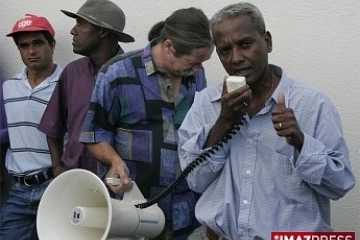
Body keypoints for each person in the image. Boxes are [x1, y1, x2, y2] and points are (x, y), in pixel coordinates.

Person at [177, 3, 356, 240]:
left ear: (268, 42)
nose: (236, 58)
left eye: (245, 44)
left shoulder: (312, 104)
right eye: (225, 50)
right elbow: (195, 181)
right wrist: (223, 122)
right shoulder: (205, 104)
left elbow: (340, 184)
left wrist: (301, 143)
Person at [79, 8, 214, 240]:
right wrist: (114, 160)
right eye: (194, 62)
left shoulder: (195, 75)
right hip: (133, 216)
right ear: (169, 46)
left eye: (203, 62)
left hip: (185, 213)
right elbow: (95, 133)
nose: (198, 70)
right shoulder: (117, 73)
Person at [38, 0, 135, 178]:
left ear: (103, 31)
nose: (73, 31)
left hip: (117, 184)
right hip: (75, 180)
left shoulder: (133, 76)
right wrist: (57, 167)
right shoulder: (72, 72)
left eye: (81, 23)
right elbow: (53, 126)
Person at [0, 14, 62, 240]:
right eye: (24, 45)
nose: (31, 51)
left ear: (52, 45)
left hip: (55, 186)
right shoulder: (8, 88)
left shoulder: (67, 84)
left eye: (38, 43)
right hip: (18, 191)